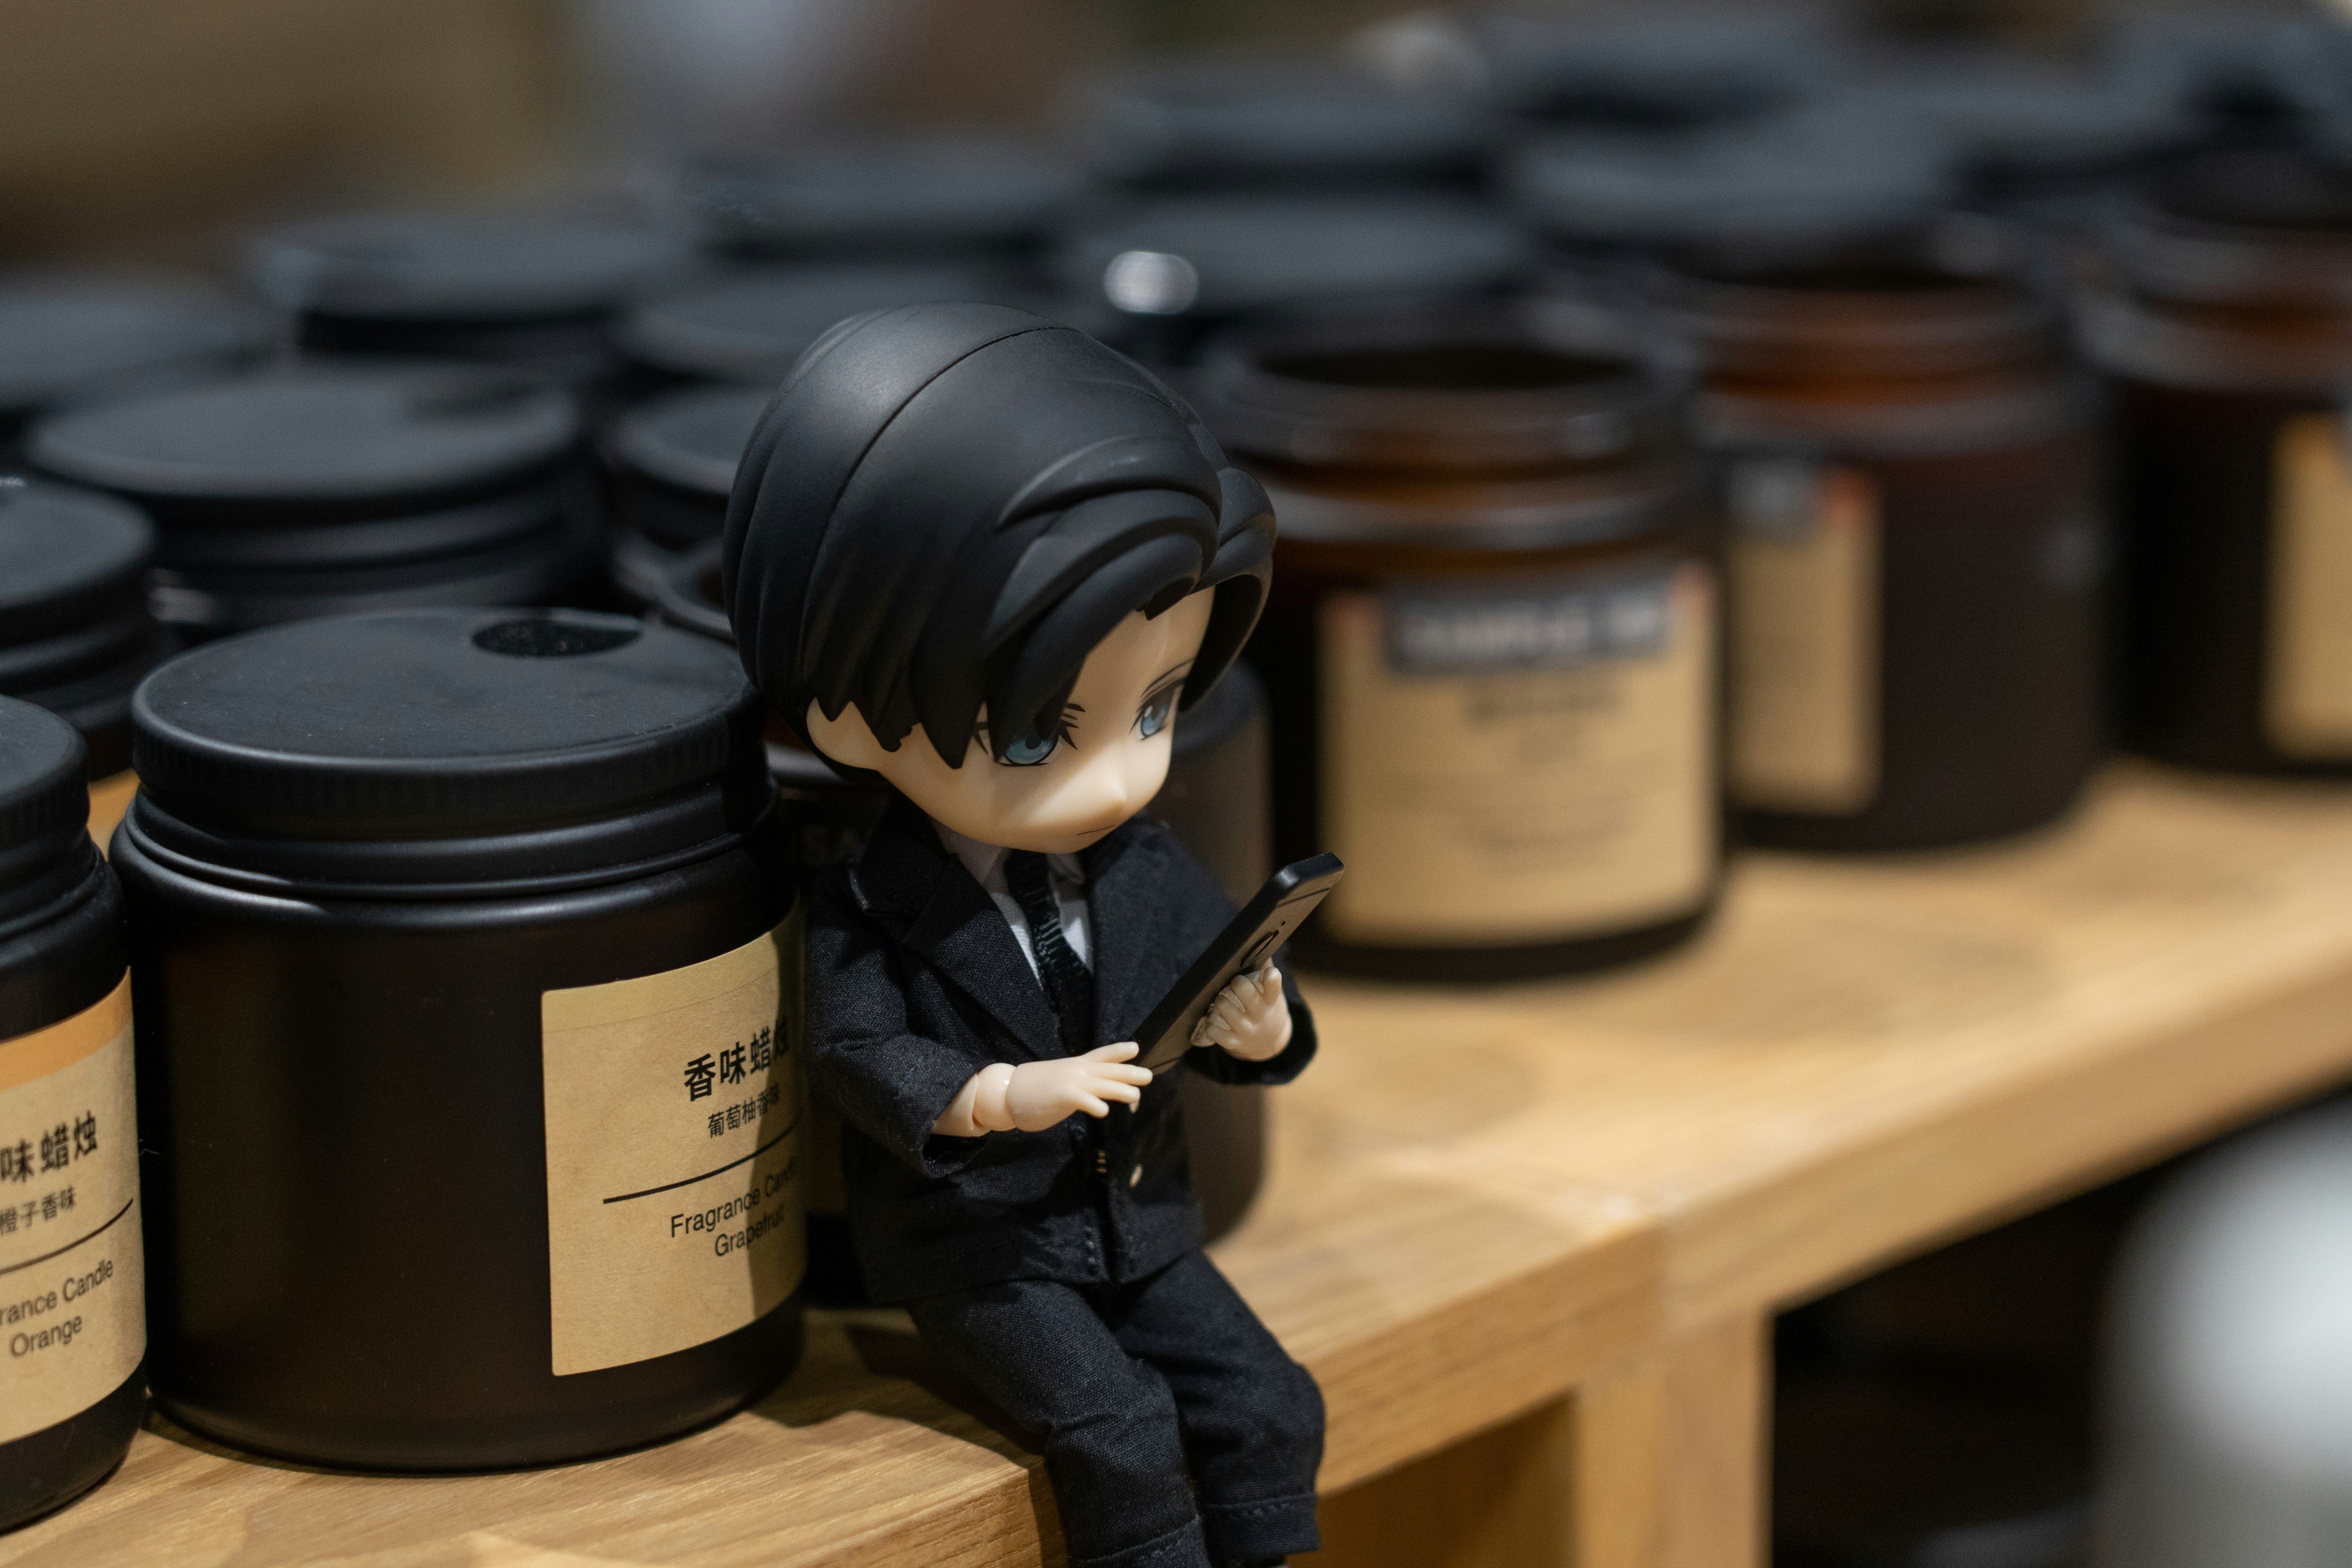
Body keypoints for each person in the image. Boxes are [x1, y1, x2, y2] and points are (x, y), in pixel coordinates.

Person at [721, 302, 1323, 1568]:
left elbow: (1218, 987)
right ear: (844, 699)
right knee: (1123, 1432)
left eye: (1156, 711)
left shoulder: (1142, 864)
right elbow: (854, 1050)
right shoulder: (872, 896)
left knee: (1272, 1406)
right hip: (984, 1256)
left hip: (1144, 1222)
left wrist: (1263, 1028)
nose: (1113, 782)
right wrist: (1000, 1094)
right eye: (1044, 735)